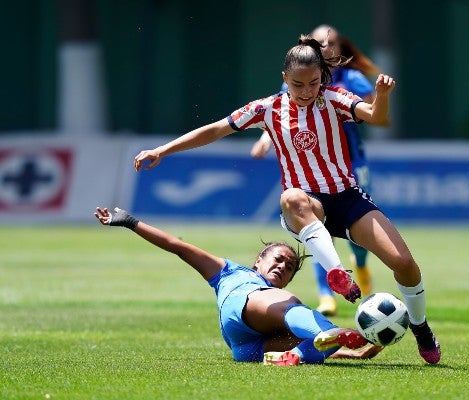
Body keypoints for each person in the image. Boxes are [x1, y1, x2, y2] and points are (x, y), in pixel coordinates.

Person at [133, 34, 442, 364]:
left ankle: (421, 328)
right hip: (306, 208)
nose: (307, 91)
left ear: (322, 78)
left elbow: (376, 117)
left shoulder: (335, 99)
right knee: (292, 195)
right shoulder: (267, 109)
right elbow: (216, 129)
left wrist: (382, 96)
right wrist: (163, 150)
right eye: (298, 84)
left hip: (347, 199)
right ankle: (337, 273)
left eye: (313, 83)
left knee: (405, 264)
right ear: (285, 79)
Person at [93, 206, 383, 366]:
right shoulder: (227, 270)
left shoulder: (274, 296)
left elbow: (324, 344)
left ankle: (295, 357)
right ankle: (328, 332)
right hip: (243, 304)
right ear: (259, 260)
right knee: (294, 308)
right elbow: (176, 246)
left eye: (290, 268)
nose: (283, 267)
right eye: (279, 259)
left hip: (246, 348)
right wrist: (131, 222)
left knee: (314, 343)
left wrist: (353, 353)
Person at [251, 25, 378, 317]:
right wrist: (264, 140)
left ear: (340, 47)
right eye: (321, 42)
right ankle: (327, 293)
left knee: (360, 227)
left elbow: (372, 110)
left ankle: (360, 263)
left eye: (332, 42)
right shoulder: (300, 81)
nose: (327, 47)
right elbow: (282, 118)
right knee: (318, 231)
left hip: (351, 162)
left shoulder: (351, 80)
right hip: (312, 166)